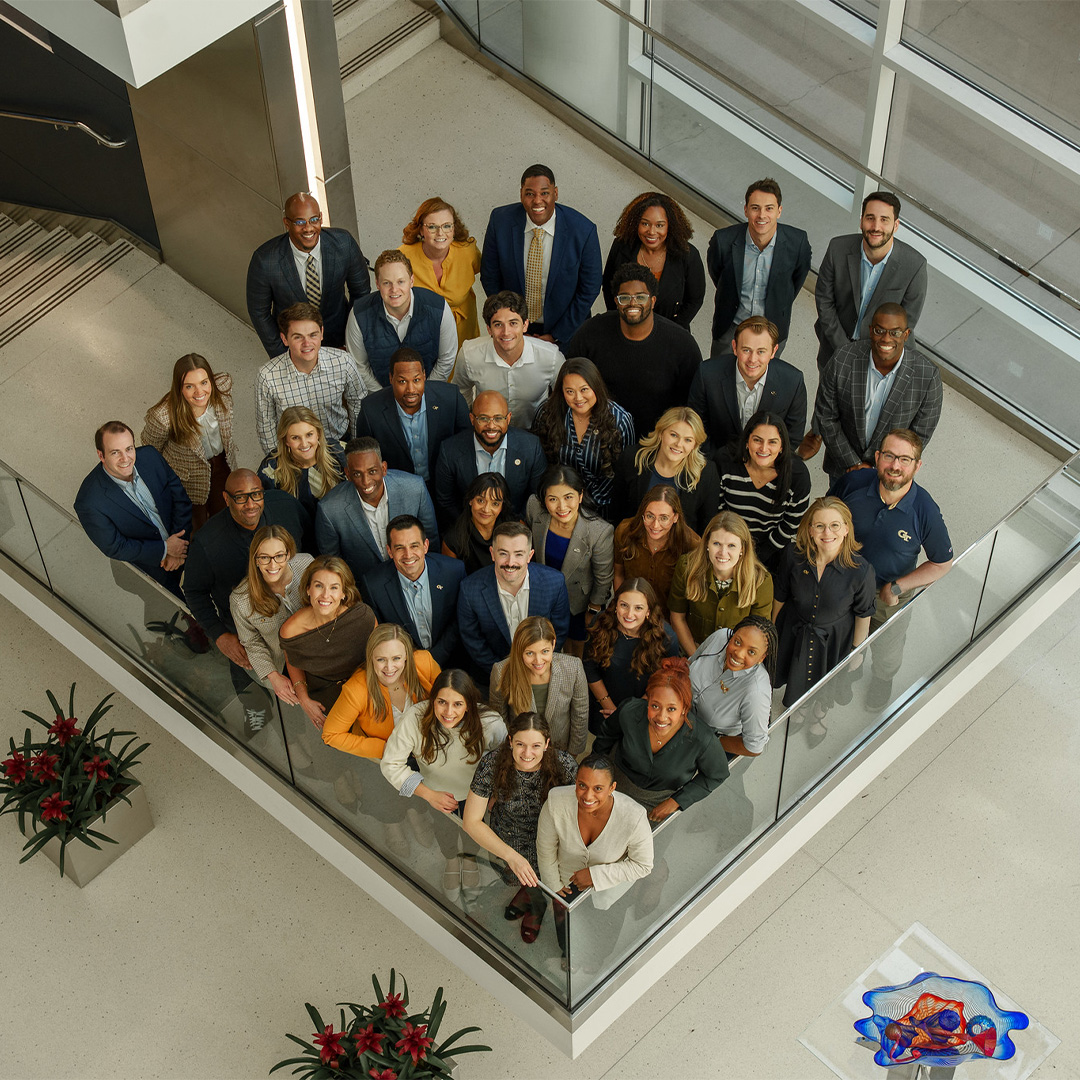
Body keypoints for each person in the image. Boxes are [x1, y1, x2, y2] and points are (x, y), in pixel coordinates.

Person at [829, 429, 953, 706]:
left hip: (888, 594)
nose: (895, 465)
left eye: (904, 459)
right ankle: (848, 669)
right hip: (843, 584)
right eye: (889, 456)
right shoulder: (853, 482)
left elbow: (942, 563)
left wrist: (898, 587)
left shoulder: (925, 511)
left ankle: (883, 678)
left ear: (917, 466)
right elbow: (825, 515)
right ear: (877, 457)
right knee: (842, 637)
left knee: (888, 648)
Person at [185, 469, 309, 729]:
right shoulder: (207, 542)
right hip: (245, 626)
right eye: (240, 497)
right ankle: (258, 716)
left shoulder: (285, 506)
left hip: (299, 615)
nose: (251, 504)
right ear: (226, 498)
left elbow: (309, 540)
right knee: (250, 681)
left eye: (255, 494)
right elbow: (194, 592)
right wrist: (219, 635)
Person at [381, 668, 507, 890]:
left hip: (476, 794)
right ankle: (451, 860)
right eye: (442, 702)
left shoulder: (490, 723)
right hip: (436, 793)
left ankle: (469, 860)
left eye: (458, 704)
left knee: (473, 830)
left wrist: (496, 793)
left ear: (469, 703)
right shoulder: (415, 719)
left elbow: (505, 762)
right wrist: (428, 794)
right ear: (433, 701)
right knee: (444, 830)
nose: (449, 711)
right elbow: (390, 763)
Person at [464, 711, 578, 942]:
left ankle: (537, 906)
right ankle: (533, 901)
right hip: (509, 840)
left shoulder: (564, 765)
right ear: (510, 741)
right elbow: (471, 821)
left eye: (536, 745)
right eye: (520, 744)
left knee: (551, 883)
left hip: (551, 843)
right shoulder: (492, 764)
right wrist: (512, 857)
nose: (527, 753)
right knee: (525, 878)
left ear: (547, 744)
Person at [806, 303, 943, 480]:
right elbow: (826, 415)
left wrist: (880, 465)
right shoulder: (843, 359)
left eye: (895, 332)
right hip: (843, 467)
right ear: (870, 330)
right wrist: (853, 464)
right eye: (880, 331)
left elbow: (919, 436)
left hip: (890, 473)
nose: (886, 339)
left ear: (906, 335)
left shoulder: (928, 377)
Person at [772, 498, 876, 728]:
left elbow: (863, 615)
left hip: (835, 640)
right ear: (810, 530)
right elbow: (780, 595)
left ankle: (819, 713)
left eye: (835, 525)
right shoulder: (793, 555)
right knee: (796, 676)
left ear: (846, 529)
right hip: (795, 631)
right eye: (819, 526)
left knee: (829, 684)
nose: (827, 532)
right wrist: (772, 632)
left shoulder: (861, 571)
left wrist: (857, 653)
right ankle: (803, 707)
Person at [567, 263, 701, 438]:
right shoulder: (591, 332)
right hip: (599, 436)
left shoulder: (682, 344)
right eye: (624, 297)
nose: (632, 303)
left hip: (656, 441)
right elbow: (569, 381)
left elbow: (691, 407)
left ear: (652, 301)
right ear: (616, 301)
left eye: (640, 297)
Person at [479, 163, 602, 347]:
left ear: (556, 193)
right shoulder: (500, 221)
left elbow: (590, 288)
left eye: (544, 193)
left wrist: (556, 335)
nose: (537, 201)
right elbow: (490, 276)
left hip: (566, 333)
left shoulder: (583, 230)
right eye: (530, 193)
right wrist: (513, 325)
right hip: (513, 332)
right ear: (521, 194)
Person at [593, 658, 729, 821]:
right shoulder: (630, 710)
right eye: (655, 706)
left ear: (684, 708)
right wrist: (596, 772)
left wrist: (676, 802)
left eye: (671, 709)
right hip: (612, 786)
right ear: (648, 700)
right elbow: (605, 737)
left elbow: (717, 775)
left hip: (656, 806)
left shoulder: (702, 738)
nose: (661, 717)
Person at [75, 420, 192, 600]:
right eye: (115, 452)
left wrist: (179, 546)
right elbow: (115, 546)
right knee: (178, 617)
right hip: (151, 570)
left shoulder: (151, 457)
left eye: (129, 449)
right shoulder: (89, 501)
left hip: (183, 545)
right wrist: (165, 549)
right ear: (101, 455)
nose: (126, 458)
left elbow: (180, 499)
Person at [812, 190, 928, 371]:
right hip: (834, 348)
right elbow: (824, 301)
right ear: (861, 221)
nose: (876, 226)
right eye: (870, 218)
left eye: (884, 220)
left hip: (883, 357)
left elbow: (907, 321)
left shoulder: (914, 266)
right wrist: (845, 349)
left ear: (896, 225)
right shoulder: (837, 248)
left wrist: (871, 356)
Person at [245, 191, 371, 357]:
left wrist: (350, 340)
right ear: (287, 223)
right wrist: (284, 356)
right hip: (294, 349)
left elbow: (361, 293)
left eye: (314, 219)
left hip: (340, 340)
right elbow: (259, 313)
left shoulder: (344, 243)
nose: (309, 228)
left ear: (320, 217)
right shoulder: (265, 260)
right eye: (299, 222)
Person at [456, 520, 571, 685]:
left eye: (518, 554)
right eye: (503, 553)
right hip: (493, 674)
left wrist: (537, 667)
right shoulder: (469, 588)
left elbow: (558, 632)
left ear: (529, 556)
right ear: (492, 553)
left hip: (541, 671)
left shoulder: (554, 583)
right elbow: (473, 641)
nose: (510, 562)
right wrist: (504, 673)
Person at [315, 436, 439, 587]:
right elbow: (332, 563)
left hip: (416, 579)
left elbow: (431, 539)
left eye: (372, 471)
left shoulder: (414, 488)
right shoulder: (329, 509)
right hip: (364, 588)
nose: (366, 481)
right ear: (347, 474)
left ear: (384, 468)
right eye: (357, 474)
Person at [706, 178, 811, 352]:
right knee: (720, 376)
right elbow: (719, 276)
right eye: (755, 208)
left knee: (764, 379)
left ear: (779, 211)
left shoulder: (798, 242)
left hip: (772, 330)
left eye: (769, 208)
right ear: (746, 210)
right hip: (731, 327)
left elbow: (794, 282)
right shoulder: (723, 240)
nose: (762, 215)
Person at [255, 301, 371, 455]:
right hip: (296, 452)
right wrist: (278, 461)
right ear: (284, 339)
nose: (307, 343)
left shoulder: (342, 361)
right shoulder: (267, 376)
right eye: (298, 337)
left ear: (322, 333)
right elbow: (266, 426)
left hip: (339, 443)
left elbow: (358, 402)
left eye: (313, 335)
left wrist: (356, 447)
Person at [140, 354, 239, 532]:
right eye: (189, 386)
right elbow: (150, 449)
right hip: (189, 479)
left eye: (204, 382)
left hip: (223, 465)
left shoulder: (223, 389)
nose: (199, 392)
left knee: (226, 515)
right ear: (179, 388)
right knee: (197, 527)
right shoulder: (164, 417)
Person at [536, 753, 654, 903]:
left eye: (598, 788)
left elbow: (643, 865)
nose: (588, 796)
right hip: (563, 886)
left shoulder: (634, 817)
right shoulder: (555, 801)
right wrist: (554, 887)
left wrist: (595, 876)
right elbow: (545, 849)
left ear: (612, 788)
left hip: (609, 895)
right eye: (582, 785)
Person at [525, 463, 614, 653]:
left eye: (568, 497)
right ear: (543, 499)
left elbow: (603, 579)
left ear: (580, 496)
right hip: (542, 597)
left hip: (577, 604)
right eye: (553, 499)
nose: (562, 506)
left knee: (575, 653)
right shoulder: (534, 508)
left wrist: (593, 610)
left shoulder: (599, 531)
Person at [279, 555, 377, 728]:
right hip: (324, 694)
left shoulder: (362, 617)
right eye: (319, 586)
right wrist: (304, 699)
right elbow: (292, 662)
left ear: (344, 593)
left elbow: (381, 656)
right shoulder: (291, 630)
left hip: (366, 687)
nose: (325, 595)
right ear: (308, 589)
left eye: (334, 588)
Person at [531, 356, 635, 518]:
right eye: (570, 391)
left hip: (603, 509)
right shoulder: (547, 414)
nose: (578, 398)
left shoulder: (619, 420)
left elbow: (625, 473)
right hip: (558, 506)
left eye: (584, 389)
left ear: (596, 386)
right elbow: (539, 464)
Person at [353, 346, 470, 489]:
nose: (411, 389)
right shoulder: (370, 410)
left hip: (446, 485)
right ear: (391, 378)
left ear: (424, 376)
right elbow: (365, 457)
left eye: (416, 380)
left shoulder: (451, 397)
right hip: (398, 488)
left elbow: (466, 445)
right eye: (402, 381)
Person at [688, 315, 806, 452]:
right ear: (734, 347)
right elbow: (696, 426)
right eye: (746, 350)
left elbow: (793, 436)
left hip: (766, 462)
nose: (753, 359)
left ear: (773, 351)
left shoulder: (793, 381)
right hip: (716, 458)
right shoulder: (707, 374)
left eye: (761, 351)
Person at [361, 514, 466, 668]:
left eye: (414, 546)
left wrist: (434, 658)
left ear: (426, 546)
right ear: (389, 551)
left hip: (453, 662)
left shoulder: (454, 571)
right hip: (405, 667)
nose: (408, 555)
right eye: (399, 548)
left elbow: (460, 619)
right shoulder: (373, 585)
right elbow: (382, 634)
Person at [713, 410, 811, 574]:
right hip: (725, 546)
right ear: (746, 441)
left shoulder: (797, 476)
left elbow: (790, 526)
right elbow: (717, 511)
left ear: (781, 446)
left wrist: (756, 557)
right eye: (757, 440)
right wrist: (731, 551)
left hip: (771, 553)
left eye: (772, 442)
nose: (764, 448)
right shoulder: (725, 461)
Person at [323, 623, 441, 758]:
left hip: (433, 743)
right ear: (371, 658)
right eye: (381, 660)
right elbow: (331, 735)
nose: (389, 667)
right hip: (393, 759)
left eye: (396, 658)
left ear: (407, 655)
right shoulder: (355, 690)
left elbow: (447, 700)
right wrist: (387, 749)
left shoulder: (424, 662)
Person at [433, 389, 546, 527]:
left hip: (515, 529)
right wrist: (471, 529)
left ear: (508, 418)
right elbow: (446, 501)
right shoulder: (450, 450)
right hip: (468, 530)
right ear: (472, 419)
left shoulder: (531, 447)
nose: (491, 426)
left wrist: (515, 527)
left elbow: (536, 496)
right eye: (483, 418)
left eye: (498, 418)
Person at [668, 510, 773, 656]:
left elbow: (758, 634)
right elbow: (677, 617)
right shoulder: (687, 567)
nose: (723, 553)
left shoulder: (761, 581)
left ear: (742, 548)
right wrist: (697, 658)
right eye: (717, 543)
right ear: (707, 544)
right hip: (692, 651)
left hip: (736, 657)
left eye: (731, 546)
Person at [345, 249, 457, 386]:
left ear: (411, 280)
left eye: (400, 282)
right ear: (378, 284)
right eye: (387, 283)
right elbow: (359, 366)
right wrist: (383, 398)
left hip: (428, 393)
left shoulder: (438, 307)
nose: (394, 289)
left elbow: (447, 359)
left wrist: (425, 394)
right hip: (381, 397)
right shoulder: (359, 314)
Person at [228, 525, 313, 705]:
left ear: (289, 554)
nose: (273, 565)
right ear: (255, 559)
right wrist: (273, 677)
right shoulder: (241, 600)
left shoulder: (307, 565)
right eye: (265, 557)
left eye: (279, 556)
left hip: (318, 652)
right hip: (281, 666)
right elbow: (251, 642)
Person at [452, 292, 564, 428]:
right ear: (489, 329)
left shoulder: (550, 356)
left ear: (525, 325)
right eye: (498, 325)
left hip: (536, 432)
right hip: (489, 431)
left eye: (513, 323)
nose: (506, 332)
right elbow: (462, 392)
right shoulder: (469, 354)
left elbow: (564, 398)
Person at [584, 578, 680, 734]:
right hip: (604, 707)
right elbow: (589, 668)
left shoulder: (666, 638)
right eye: (624, 605)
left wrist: (631, 712)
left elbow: (666, 680)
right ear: (615, 605)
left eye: (638, 608)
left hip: (643, 709)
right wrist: (610, 708)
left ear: (648, 611)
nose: (629, 614)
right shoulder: (600, 623)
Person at [602, 191, 706, 331]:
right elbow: (609, 287)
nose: (651, 232)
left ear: (670, 226)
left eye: (659, 225)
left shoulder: (687, 255)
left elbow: (695, 300)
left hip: (670, 333)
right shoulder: (621, 246)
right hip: (623, 329)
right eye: (645, 223)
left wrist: (673, 329)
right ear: (635, 223)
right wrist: (620, 319)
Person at [613, 406, 720, 535]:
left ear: (695, 445)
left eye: (688, 440)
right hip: (635, 544)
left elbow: (707, 526)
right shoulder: (632, 458)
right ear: (661, 433)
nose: (679, 444)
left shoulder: (707, 473)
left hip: (681, 550)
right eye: (674, 435)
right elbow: (617, 510)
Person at [490, 617, 589, 755]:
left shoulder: (574, 668)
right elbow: (500, 719)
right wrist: (511, 750)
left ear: (553, 644)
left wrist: (572, 755)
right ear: (519, 650)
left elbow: (581, 715)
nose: (538, 660)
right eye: (530, 653)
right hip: (522, 753)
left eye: (545, 651)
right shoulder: (501, 672)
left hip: (560, 750)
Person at [689, 615, 778, 757]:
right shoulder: (720, 637)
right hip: (681, 721)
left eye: (751, 652)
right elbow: (690, 664)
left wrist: (710, 741)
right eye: (737, 642)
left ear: (762, 657)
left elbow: (753, 747)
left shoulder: (756, 692)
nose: (738, 653)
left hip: (712, 745)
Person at [398, 197, 482, 347]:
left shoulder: (467, 251)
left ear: (454, 228)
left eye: (447, 226)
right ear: (421, 230)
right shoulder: (403, 257)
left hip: (463, 331)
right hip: (422, 333)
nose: (440, 233)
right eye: (432, 227)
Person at [612, 486, 700, 621]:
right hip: (630, 615)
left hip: (669, 619)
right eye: (650, 516)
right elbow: (619, 574)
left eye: (664, 518)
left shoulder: (691, 544)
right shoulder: (625, 532)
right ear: (643, 514)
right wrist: (621, 609)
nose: (655, 525)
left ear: (675, 517)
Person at [257, 405, 345, 527]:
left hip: (338, 529)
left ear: (318, 433)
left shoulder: (338, 452)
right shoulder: (271, 468)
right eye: (295, 438)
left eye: (309, 434)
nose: (304, 444)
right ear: (286, 440)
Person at [441, 472, 514, 575]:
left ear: (502, 506)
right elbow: (451, 580)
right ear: (471, 500)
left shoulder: (515, 529)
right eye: (480, 501)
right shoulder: (453, 540)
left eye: (495, 504)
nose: (486, 509)